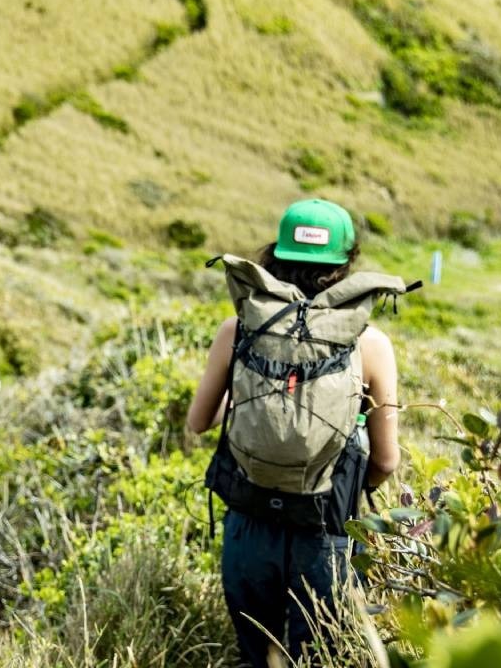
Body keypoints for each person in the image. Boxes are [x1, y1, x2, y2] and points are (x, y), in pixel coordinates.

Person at [186, 199, 402, 667]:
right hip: (326, 529)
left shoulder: (237, 328)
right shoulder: (371, 344)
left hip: (249, 523)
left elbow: (199, 422)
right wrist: (342, 483)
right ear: (345, 265)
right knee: (319, 658)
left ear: (274, 257)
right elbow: (386, 461)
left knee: (257, 656)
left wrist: (255, 404)